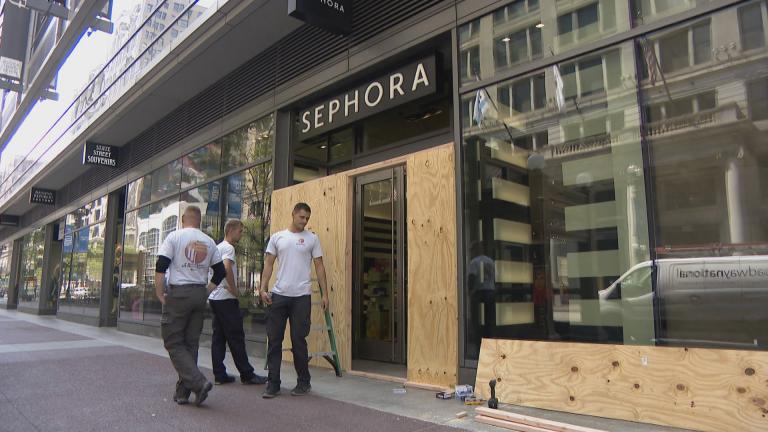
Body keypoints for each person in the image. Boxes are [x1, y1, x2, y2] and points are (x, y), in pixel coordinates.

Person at [155, 206, 225, 406]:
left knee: (173, 342)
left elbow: (161, 266)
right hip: (199, 293)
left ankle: (198, 383)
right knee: (190, 343)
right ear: (200, 220)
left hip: (179, 294)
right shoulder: (209, 241)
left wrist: (159, 293)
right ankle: (183, 393)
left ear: (183, 219)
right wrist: (207, 291)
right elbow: (220, 272)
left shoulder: (174, 237)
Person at [259, 202, 329, 399]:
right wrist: (262, 288)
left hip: (302, 297)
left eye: (307, 218)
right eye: (301, 217)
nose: (305, 221)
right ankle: (273, 384)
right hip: (279, 295)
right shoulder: (277, 237)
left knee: (299, 340)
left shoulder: (312, 239)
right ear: (293, 215)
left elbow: (320, 267)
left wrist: (325, 294)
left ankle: (303, 382)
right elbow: (268, 264)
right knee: (274, 340)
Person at [208, 219, 267, 385]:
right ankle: (247, 374)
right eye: (240, 231)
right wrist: (234, 289)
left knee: (218, 337)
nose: (241, 234)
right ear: (231, 230)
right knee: (236, 336)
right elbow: (226, 268)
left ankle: (219, 374)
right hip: (226, 299)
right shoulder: (228, 248)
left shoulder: (217, 248)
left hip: (215, 298)